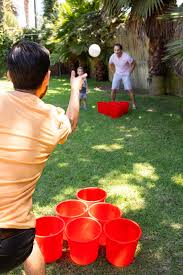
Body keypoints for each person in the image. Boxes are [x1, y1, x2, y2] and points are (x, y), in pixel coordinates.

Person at [0, 40, 87, 274]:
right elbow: (72, 120)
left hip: (15, 236)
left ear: (9, 75)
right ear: (47, 77)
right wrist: (74, 90)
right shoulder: (53, 120)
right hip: (15, 242)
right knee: (31, 244)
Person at [109, 43, 137, 109]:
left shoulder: (126, 56)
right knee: (113, 89)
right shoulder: (112, 56)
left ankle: (134, 104)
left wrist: (129, 72)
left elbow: (134, 64)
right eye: (115, 50)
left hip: (125, 74)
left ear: (121, 50)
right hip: (117, 74)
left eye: (118, 50)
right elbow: (110, 64)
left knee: (129, 89)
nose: (116, 52)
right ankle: (113, 103)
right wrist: (114, 72)